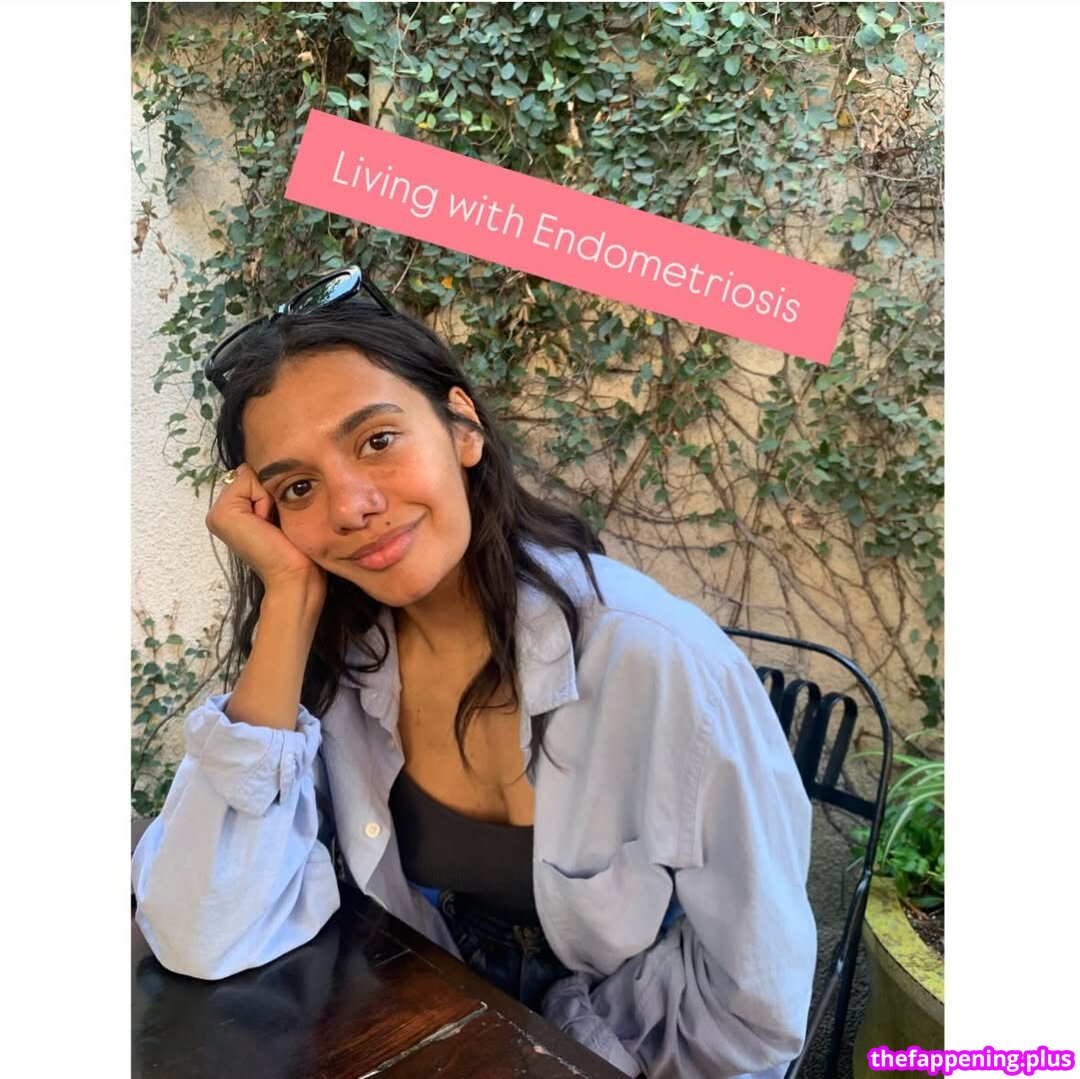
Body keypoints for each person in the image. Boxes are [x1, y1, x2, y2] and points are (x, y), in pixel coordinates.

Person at [132, 265, 817, 1079]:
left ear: (462, 427)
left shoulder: (659, 662)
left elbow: (753, 1008)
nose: (349, 507)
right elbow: (200, 927)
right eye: (299, 486)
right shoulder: (338, 664)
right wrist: (287, 598)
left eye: (377, 440)